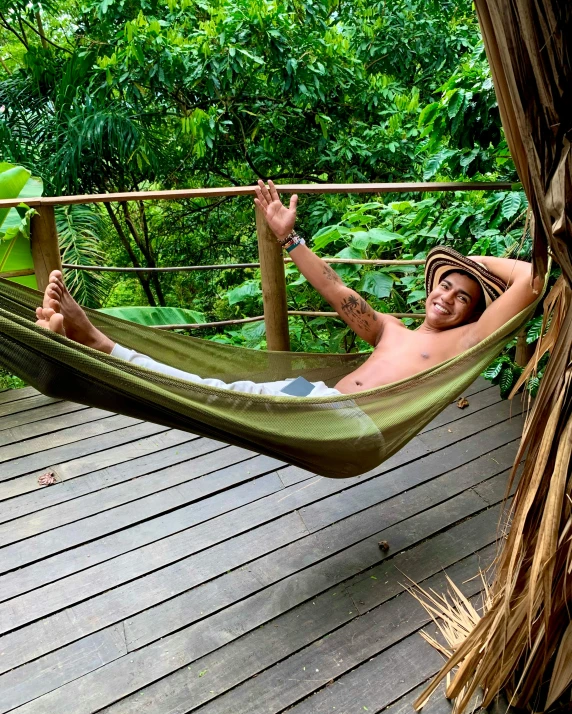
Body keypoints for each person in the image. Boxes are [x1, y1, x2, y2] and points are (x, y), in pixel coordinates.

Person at [35, 180, 542, 397]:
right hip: (313, 401)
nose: (447, 297)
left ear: (474, 316)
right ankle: (97, 343)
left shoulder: (464, 343)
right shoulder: (387, 328)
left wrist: (468, 264)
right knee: (222, 390)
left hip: (345, 422)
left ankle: (100, 344)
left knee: (211, 393)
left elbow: (530, 278)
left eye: (463, 298)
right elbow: (335, 285)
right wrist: (288, 237)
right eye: (444, 285)